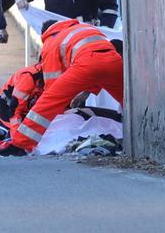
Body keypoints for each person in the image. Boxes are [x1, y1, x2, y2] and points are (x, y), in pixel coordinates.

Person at [7, 18, 123, 153]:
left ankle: (19, 145)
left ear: (45, 34)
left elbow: (53, 86)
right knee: (132, 103)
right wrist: (86, 91)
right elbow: (100, 61)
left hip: (86, 64)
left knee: (47, 102)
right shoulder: (83, 29)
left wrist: (61, 110)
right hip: (114, 61)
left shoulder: (51, 41)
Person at [0, 64, 44, 130]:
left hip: (24, 112)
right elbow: (14, 109)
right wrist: (17, 132)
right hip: (8, 111)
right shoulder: (28, 78)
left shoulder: (44, 77)